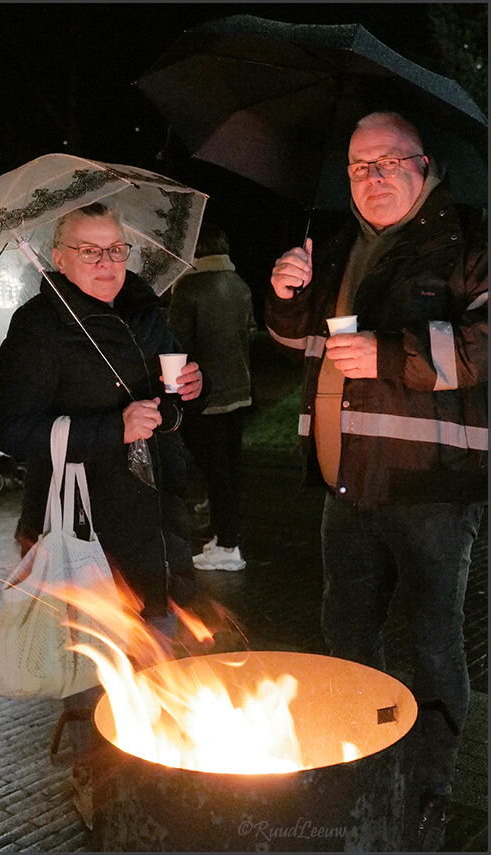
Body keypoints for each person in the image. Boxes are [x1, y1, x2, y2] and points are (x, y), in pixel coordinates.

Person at [266, 112, 487, 850]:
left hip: (431, 487)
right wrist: (288, 294)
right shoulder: (334, 245)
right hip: (346, 481)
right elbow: (297, 340)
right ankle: (361, 765)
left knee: (433, 643)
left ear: (425, 165)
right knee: (346, 634)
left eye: (390, 160)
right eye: (360, 165)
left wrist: (391, 354)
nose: (374, 177)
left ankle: (428, 790)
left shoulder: (469, 239)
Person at [0, 201, 207, 825]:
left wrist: (190, 391)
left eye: (115, 249)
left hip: (156, 512)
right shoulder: (39, 327)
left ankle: (155, 782)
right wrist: (110, 429)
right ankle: (102, 795)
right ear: (59, 259)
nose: (107, 262)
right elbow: (9, 428)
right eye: (90, 251)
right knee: (95, 666)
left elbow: (170, 399)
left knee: (158, 643)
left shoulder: (145, 311)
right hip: (83, 522)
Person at [168, 222, 257, 571]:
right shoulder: (239, 284)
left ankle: (228, 544)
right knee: (230, 468)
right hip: (238, 390)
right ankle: (228, 534)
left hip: (204, 397)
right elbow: (250, 331)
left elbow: (176, 343)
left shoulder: (189, 287)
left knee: (214, 472)